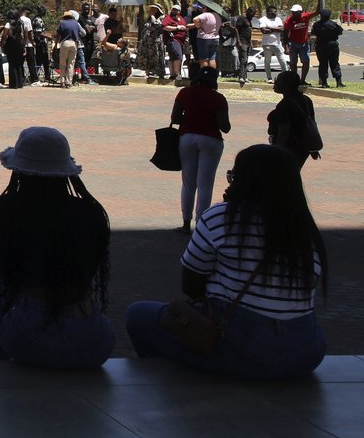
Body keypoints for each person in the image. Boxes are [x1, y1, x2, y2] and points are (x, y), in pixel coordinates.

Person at [125, 144, 327, 379]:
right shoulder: (306, 231)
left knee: (139, 315)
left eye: (233, 176)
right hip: (304, 353)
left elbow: (191, 285)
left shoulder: (221, 218)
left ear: (244, 180)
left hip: (245, 350)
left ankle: (180, 380)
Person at [0, 127, 113, 369]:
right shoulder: (91, 211)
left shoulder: (5, 208)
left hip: (26, 338)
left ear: (19, 170)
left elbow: (7, 269)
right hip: (93, 342)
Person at [170, 68, 231, 232]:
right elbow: (225, 127)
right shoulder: (218, 98)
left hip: (187, 137)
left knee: (188, 183)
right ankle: (201, 225)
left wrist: (191, 119)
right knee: (205, 184)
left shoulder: (184, 93)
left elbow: (175, 118)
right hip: (211, 139)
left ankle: (185, 223)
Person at [267, 72, 322, 169]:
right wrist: (312, 146)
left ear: (287, 86)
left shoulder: (285, 105)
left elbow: (283, 133)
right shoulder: (306, 100)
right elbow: (311, 122)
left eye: (278, 81)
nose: (275, 84)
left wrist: (276, 152)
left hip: (290, 146)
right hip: (303, 146)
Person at [311, 9, 345, 88]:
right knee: (335, 63)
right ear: (329, 16)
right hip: (332, 45)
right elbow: (340, 31)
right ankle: (338, 82)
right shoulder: (333, 24)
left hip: (320, 45)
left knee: (323, 64)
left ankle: (324, 83)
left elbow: (313, 33)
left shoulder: (316, 25)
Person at [283, 4, 317, 83]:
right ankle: (295, 80)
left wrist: (319, 0)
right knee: (293, 63)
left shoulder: (306, 16)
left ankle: (302, 80)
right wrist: (286, 47)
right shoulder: (289, 20)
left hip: (303, 43)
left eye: (296, 12)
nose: (293, 14)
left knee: (306, 61)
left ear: (300, 12)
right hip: (293, 43)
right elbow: (285, 34)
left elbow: (317, 12)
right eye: (293, 12)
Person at [256, 5, 288, 81]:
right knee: (267, 61)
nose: (276, 13)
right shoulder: (262, 19)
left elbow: (282, 29)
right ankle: (269, 78)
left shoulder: (278, 19)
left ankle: (285, 77)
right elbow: (263, 30)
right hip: (266, 44)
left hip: (277, 44)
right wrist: (276, 29)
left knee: (282, 61)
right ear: (269, 12)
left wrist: (269, 28)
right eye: (275, 11)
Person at [55, 9, 83, 88]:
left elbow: (58, 35)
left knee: (63, 63)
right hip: (74, 43)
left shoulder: (62, 23)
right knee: (71, 64)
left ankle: (62, 82)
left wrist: (56, 44)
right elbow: (81, 33)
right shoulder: (76, 23)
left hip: (65, 43)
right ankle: (69, 82)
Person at [192, 4, 221, 71]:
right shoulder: (218, 16)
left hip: (204, 38)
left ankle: (205, 74)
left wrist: (199, 27)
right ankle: (212, 75)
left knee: (203, 58)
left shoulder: (206, 15)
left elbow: (195, 19)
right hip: (215, 38)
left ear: (207, 8)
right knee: (212, 58)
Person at [232, 7, 256, 87]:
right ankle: (241, 76)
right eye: (252, 14)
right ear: (248, 12)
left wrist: (251, 42)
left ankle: (245, 76)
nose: (253, 16)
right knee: (243, 59)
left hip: (248, 42)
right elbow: (236, 29)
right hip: (242, 42)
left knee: (246, 60)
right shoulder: (242, 19)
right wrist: (238, 41)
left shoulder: (249, 21)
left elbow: (249, 32)